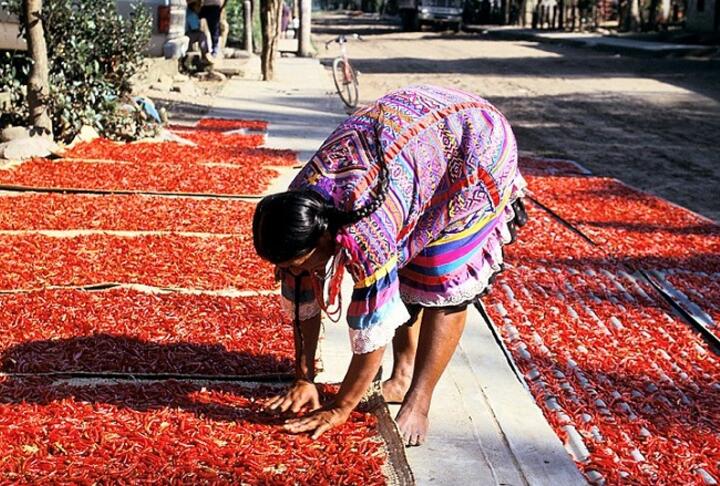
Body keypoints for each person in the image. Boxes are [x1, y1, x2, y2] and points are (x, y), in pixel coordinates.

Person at [253, 85, 528, 446]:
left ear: (325, 240)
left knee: (440, 278)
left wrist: (340, 407)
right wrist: (305, 378)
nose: (298, 272)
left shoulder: (366, 232)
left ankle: (420, 398)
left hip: (474, 149)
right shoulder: (300, 202)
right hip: (417, 142)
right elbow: (301, 289)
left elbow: (374, 327)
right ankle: (401, 374)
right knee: (404, 270)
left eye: (300, 263)